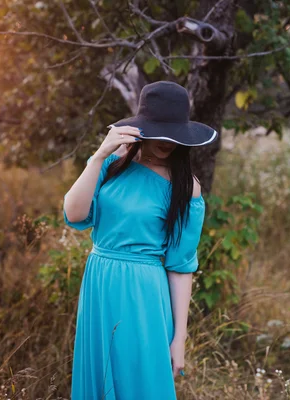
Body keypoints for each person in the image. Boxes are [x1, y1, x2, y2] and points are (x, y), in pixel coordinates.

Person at [63, 81, 218, 399]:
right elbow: (75, 213)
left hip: (143, 292)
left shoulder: (186, 188)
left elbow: (180, 266)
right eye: (159, 131)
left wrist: (179, 339)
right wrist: (98, 156)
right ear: (142, 128)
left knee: (140, 382)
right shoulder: (112, 164)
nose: (167, 141)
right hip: (99, 282)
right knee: (100, 377)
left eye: (174, 133)